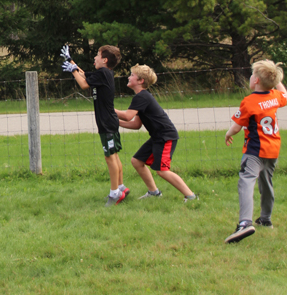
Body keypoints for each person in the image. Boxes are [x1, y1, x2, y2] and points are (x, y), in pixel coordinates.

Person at [224, 60, 287, 244]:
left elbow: (237, 127)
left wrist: (228, 133)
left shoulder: (249, 101)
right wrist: (275, 80)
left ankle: (244, 223)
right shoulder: (275, 96)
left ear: (257, 81)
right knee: (266, 182)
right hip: (273, 149)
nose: (250, 77)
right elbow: (286, 95)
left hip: (254, 150)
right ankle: (266, 219)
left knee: (246, 181)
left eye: (252, 75)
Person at [115, 63, 198, 203]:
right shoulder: (141, 97)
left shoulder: (142, 97)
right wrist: (115, 122)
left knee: (162, 170)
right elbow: (136, 124)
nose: (129, 77)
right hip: (157, 137)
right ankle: (154, 192)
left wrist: (108, 110)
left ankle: (191, 196)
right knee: (137, 161)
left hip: (165, 137)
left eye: (132, 75)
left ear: (140, 81)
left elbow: (128, 116)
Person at [61, 44, 129, 206]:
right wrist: (71, 61)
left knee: (109, 156)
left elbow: (84, 84)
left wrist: (72, 70)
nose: (94, 58)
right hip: (108, 121)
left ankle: (115, 194)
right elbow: (84, 75)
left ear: (104, 60)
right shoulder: (103, 73)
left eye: (97, 56)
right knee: (114, 155)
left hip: (106, 122)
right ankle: (121, 187)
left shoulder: (104, 73)